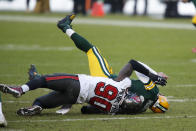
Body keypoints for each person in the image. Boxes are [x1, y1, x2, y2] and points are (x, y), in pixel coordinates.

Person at [10, 14, 168, 116]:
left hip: (107, 79)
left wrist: (154, 75)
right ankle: (46, 87)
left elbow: (134, 64)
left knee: (92, 50)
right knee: (76, 89)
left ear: (160, 99)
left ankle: (65, 27)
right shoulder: (139, 109)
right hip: (101, 96)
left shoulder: (153, 91)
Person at [0, 59, 167, 115]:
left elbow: (132, 64)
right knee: (39, 100)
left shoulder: (124, 83)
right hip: (76, 98)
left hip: (78, 83)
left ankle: (20, 89)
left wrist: (154, 76)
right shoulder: (114, 109)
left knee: (44, 79)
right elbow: (86, 110)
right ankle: (36, 107)